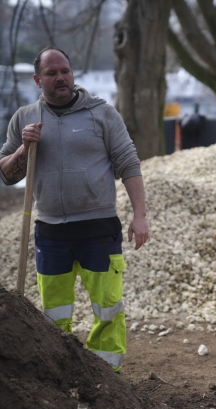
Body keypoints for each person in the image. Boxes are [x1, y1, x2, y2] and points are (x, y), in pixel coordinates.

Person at [0, 46, 149, 373]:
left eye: (65, 71)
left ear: (73, 73)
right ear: (38, 80)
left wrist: (140, 215)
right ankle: (60, 381)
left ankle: (109, 380)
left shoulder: (102, 114)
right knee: (53, 315)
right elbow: (8, 175)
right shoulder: (25, 118)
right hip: (51, 233)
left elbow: (129, 164)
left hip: (99, 230)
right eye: (51, 74)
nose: (60, 78)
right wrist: (24, 147)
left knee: (108, 310)